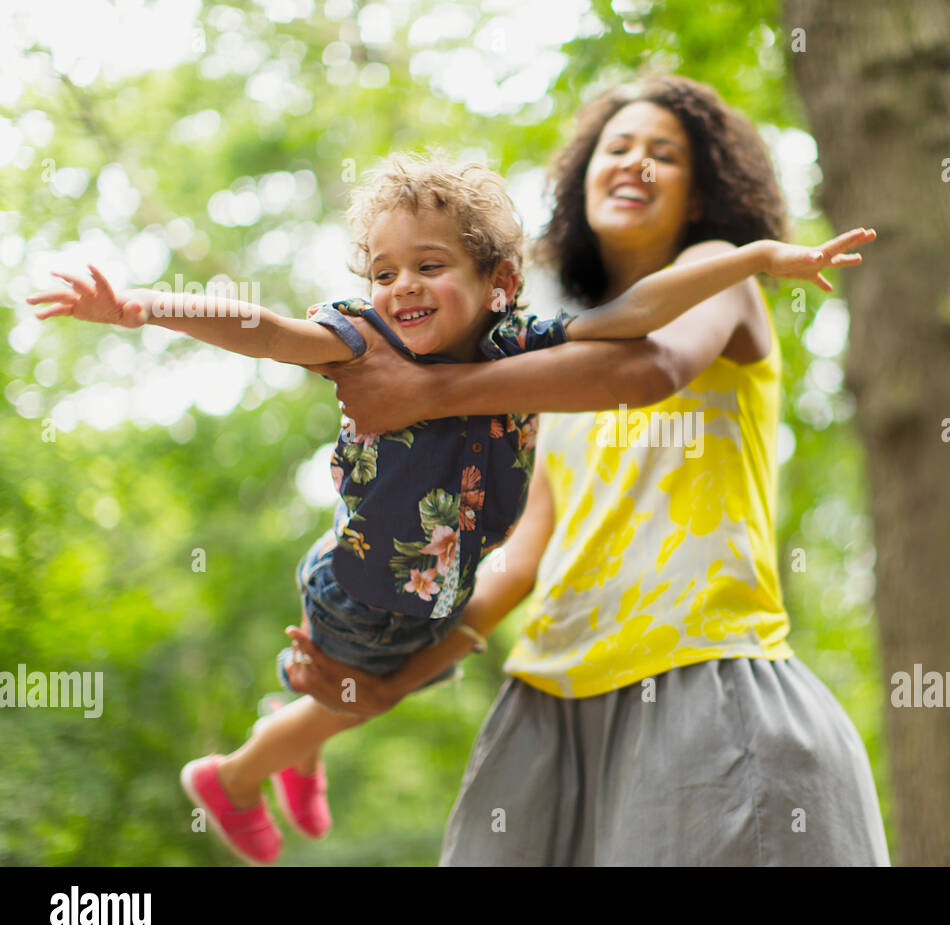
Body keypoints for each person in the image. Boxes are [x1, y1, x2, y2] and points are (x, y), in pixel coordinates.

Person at [27, 147, 871, 865]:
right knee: (355, 687)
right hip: (355, 592)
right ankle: (258, 756)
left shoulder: (520, 347)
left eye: (429, 266)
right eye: (385, 271)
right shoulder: (365, 340)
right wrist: (143, 309)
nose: (403, 288)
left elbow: (633, 321)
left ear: (498, 281)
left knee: (376, 691)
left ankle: (289, 740)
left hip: (441, 598)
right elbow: (264, 328)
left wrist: (759, 258)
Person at [285, 75, 891, 865]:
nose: (636, 163)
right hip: (550, 710)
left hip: (702, 686)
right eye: (619, 146)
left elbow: (649, 372)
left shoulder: (722, 271)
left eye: (665, 155)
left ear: (703, 197)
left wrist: (424, 394)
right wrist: (396, 680)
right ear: (582, 180)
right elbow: (520, 562)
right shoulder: (548, 367)